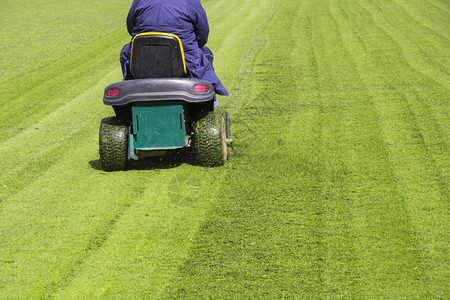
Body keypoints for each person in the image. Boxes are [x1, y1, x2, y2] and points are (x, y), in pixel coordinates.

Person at [120, 0, 229, 104]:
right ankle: (210, 103)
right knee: (205, 53)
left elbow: (131, 26)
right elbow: (203, 35)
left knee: (126, 53)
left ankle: (130, 85)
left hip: (144, 52)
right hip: (183, 57)